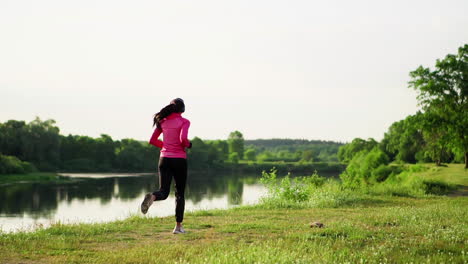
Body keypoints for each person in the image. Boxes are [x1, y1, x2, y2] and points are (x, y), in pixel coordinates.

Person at [141, 98, 192, 234]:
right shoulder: (184, 122)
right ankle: (178, 227)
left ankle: (152, 197)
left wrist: (166, 146)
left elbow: (152, 140)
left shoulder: (162, 121)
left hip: (164, 159)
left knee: (163, 192)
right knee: (179, 194)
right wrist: (189, 145)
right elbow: (183, 140)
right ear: (182, 109)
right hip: (179, 160)